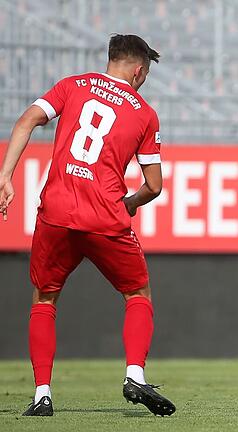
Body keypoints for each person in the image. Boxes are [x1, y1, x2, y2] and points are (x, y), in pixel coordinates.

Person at [0, 34, 175, 417]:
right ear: (139, 70)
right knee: (137, 293)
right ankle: (135, 375)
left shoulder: (72, 85)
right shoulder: (144, 112)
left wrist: (6, 175)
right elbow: (155, 186)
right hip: (105, 216)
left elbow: (26, 121)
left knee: (45, 298)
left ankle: (42, 395)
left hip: (57, 213)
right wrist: (128, 203)